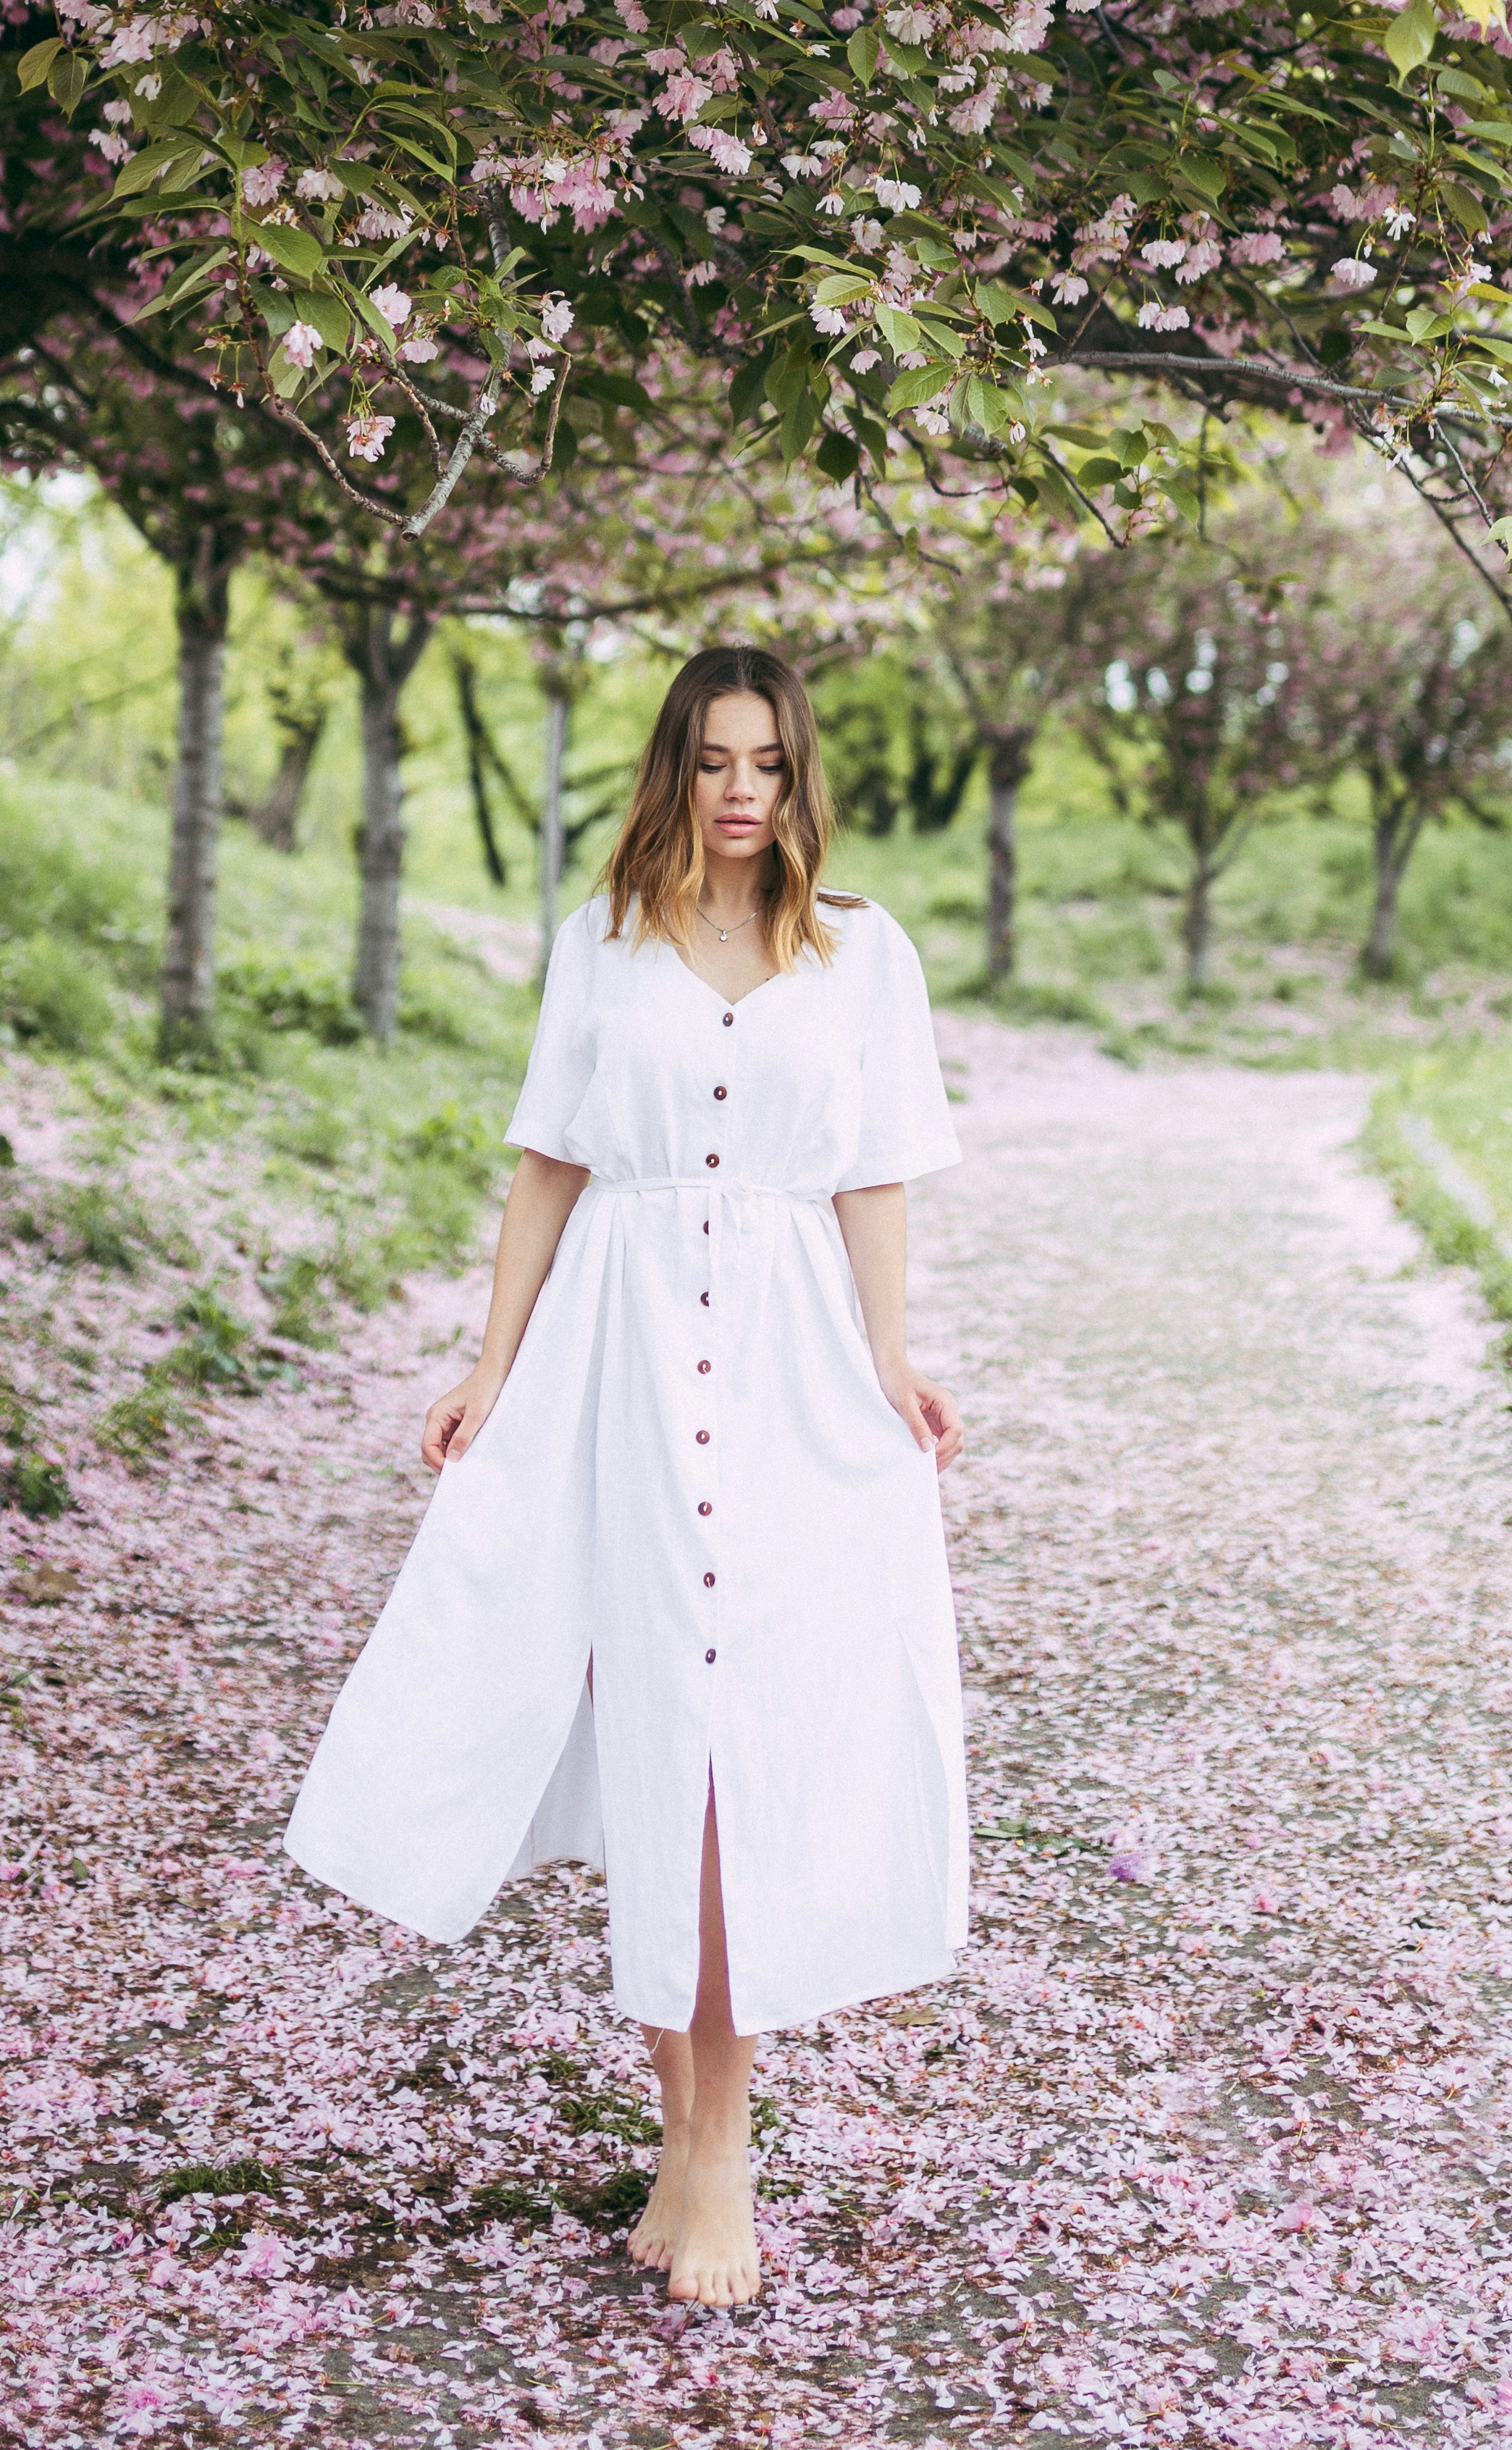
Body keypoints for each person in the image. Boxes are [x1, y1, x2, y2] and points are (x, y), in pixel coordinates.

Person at [284, 642, 968, 2309]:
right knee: (665, 1730)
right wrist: (490, 1360)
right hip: (621, 1351)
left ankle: (715, 2148)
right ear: (675, 770)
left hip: (794, 1359)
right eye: (715, 761)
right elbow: (550, 1160)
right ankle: (690, 2136)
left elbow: (874, 1171)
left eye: (770, 765)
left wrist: (887, 1359)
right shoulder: (602, 945)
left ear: (802, 781)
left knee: (753, 1738)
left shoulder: (863, 956)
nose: (743, 792)